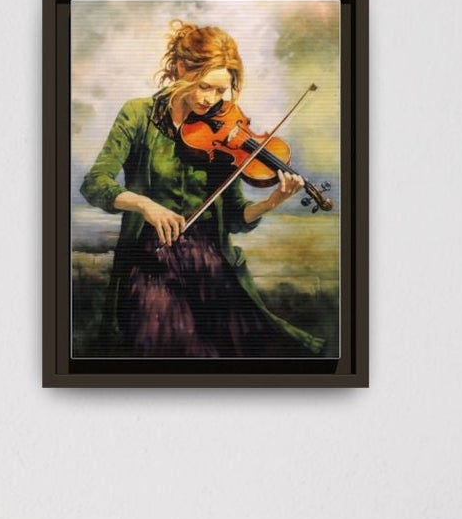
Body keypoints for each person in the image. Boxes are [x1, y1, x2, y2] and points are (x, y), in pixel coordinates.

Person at [79, 20, 325, 357]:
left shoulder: (228, 132)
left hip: (209, 258)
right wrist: (144, 205)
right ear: (182, 69)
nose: (212, 100)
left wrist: (271, 201)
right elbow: (95, 184)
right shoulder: (138, 115)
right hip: (151, 257)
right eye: (205, 87)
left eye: (221, 91)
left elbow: (236, 216)